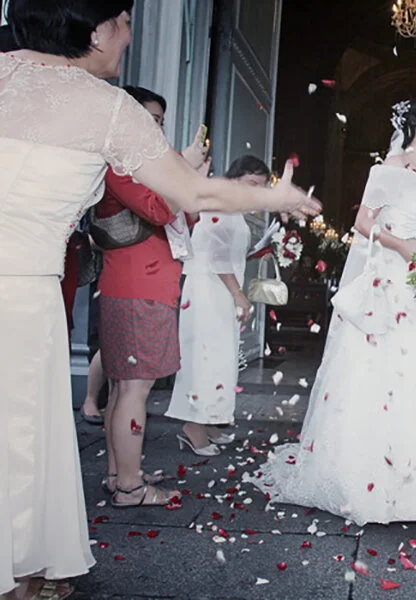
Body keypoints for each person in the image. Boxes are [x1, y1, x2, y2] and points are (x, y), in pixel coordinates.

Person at [0, 1, 320, 595]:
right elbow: (194, 193)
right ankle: (16, 577)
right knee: (17, 437)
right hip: (20, 299)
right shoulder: (105, 106)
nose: (129, 35)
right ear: (96, 29)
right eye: (125, 22)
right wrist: (277, 198)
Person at [251, 98, 416, 525]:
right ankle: (378, 479)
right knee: (386, 374)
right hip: (392, 287)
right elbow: (363, 223)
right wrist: (402, 247)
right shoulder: (389, 168)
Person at [96, 85, 207, 504]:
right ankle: (129, 486)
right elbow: (160, 209)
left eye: (160, 122)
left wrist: (186, 179)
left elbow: (184, 215)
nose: (157, 129)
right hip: (137, 288)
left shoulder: (143, 165)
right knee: (133, 390)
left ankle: (120, 473)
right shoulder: (121, 164)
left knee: (123, 388)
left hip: (144, 285)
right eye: (150, 120)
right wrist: (184, 169)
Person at [166, 155, 271, 455]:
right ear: (234, 178)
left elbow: (228, 250)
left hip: (220, 288)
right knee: (206, 358)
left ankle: (210, 421)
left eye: (261, 186)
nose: (255, 190)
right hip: (208, 290)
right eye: (251, 183)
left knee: (221, 359)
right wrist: (238, 294)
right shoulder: (219, 203)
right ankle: (193, 427)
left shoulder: (233, 208)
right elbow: (216, 254)